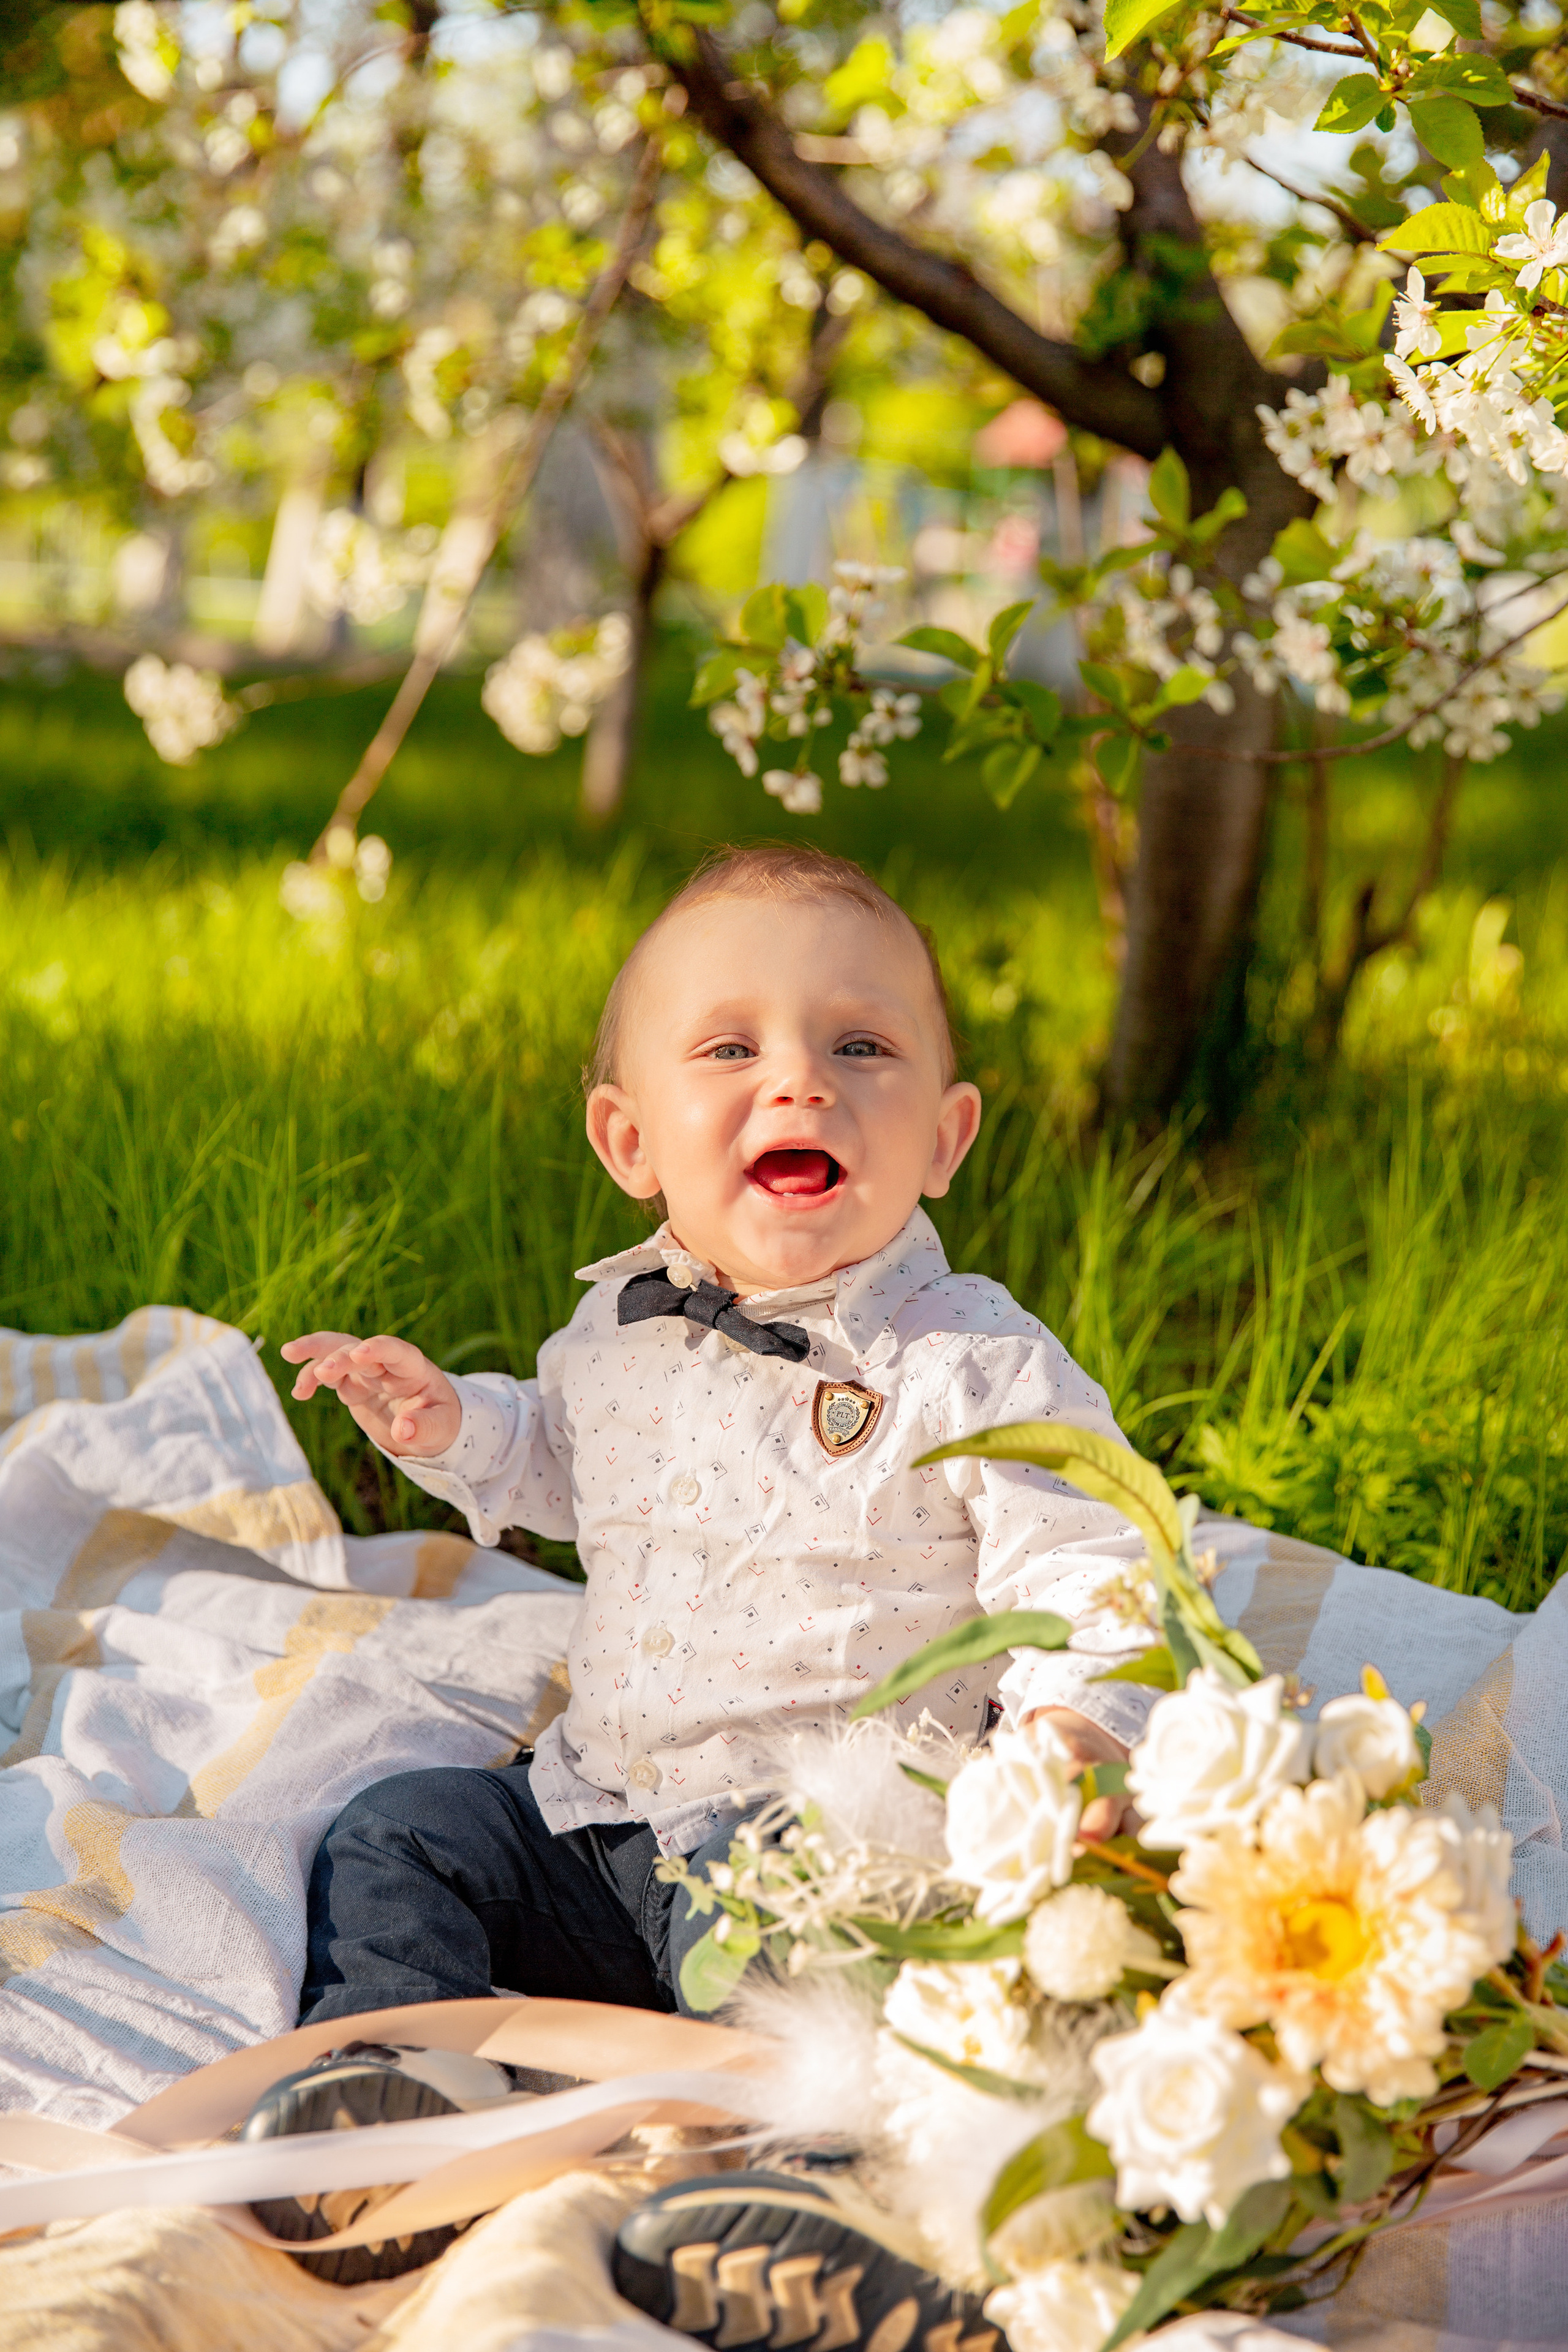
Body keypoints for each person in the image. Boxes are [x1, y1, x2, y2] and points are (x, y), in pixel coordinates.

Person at [252, 843, 1158, 2288]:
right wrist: (453, 1426)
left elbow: (1093, 1557)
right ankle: (403, 2100)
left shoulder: (972, 1363)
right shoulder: (612, 1335)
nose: (799, 1083)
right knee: (399, 1834)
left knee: (813, 1985)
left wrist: (1075, 1725)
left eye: (860, 1047)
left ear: (944, 1137)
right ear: (629, 1142)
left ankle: (823, 2208)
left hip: (809, 1844)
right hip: (600, 1821)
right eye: (731, 1048)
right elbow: (565, 1464)